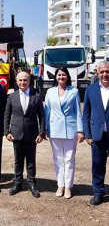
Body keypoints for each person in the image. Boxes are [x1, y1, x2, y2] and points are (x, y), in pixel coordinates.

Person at [44, 66, 84, 199]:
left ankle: (68, 186)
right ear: (55, 77)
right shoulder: (50, 92)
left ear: (67, 77)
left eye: (63, 75)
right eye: (59, 75)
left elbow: (78, 111)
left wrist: (80, 130)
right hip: (54, 129)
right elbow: (47, 111)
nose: (61, 77)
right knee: (58, 159)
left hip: (69, 129)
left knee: (69, 159)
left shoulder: (74, 92)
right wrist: (45, 128)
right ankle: (60, 184)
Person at [4, 71, 45, 198]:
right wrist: (7, 132)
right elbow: (7, 115)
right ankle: (18, 183)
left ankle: (32, 183)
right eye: (20, 80)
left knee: (31, 160)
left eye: (25, 80)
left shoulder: (36, 96)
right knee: (18, 160)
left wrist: (41, 133)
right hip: (16, 133)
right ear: (16, 82)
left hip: (32, 133)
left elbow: (42, 117)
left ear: (29, 81)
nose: (23, 82)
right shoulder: (11, 97)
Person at [83, 60, 109, 205]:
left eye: (107, 71)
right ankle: (98, 193)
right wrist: (87, 134)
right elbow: (86, 113)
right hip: (97, 134)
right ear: (97, 73)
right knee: (98, 166)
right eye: (102, 72)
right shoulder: (90, 90)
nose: (105, 74)